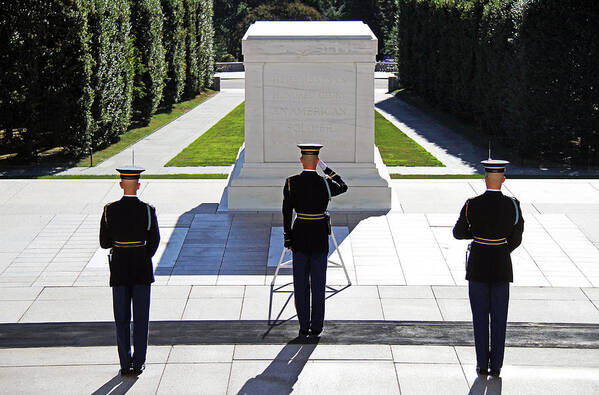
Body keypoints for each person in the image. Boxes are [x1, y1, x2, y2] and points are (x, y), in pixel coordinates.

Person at [453, 158, 524, 378]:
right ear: (503, 179)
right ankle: (497, 366)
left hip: (478, 265)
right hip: (502, 265)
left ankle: (482, 365)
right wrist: (501, 249)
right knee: (500, 318)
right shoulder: (513, 204)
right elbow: (517, 237)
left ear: (485, 178)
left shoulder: (471, 204)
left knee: (480, 318)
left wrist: (478, 237)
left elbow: (458, 232)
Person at [282, 143, 348, 338]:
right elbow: (343, 186)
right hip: (319, 235)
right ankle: (317, 326)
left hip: (300, 235)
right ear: (317, 161)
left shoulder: (291, 183)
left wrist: (287, 238)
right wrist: (326, 169)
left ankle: (303, 326)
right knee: (319, 283)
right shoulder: (326, 183)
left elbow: (286, 213)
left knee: (300, 284)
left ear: (301, 160)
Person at [99, 166, 160, 376]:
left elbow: (104, 243)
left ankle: (125, 364)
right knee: (141, 319)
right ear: (139, 185)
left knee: (122, 319)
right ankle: (139, 362)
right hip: (142, 269)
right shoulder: (147, 210)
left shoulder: (109, 210)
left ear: (121, 184)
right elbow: (154, 241)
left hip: (119, 269)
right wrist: (141, 254)